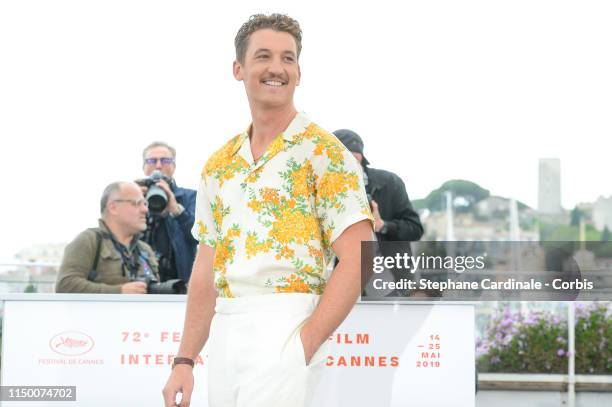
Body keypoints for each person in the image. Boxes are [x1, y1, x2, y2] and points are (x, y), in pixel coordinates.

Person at [162, 14, 374, 407]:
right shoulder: (219, 164)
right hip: (226, 328)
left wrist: (304, 345)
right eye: (264, 56)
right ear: (238, 69)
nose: (277, 68)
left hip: (289, 322)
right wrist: (185, 359)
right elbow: (206, 266)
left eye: (288, 58)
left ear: (299, 71)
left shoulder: (325, 154)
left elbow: (360, 257)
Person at [56, 181, 159, 294]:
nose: (145, 210)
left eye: (145, 203)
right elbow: (65, 285)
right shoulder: (89, 241)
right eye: (136, 203)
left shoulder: (144, 250)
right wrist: (118, 291)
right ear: (113, 207)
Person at [333, 129, 424, 243]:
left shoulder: (390, 182)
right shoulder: (324, 189)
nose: (350, 164)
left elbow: (415, 229)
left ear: (360, 157)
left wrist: (382, 225)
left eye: (354, 158)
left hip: (387, 259)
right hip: (344, 258)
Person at [138, 141, 197, 283]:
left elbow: (199, 236)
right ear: (144, 167)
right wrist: (133, 201)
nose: (158, 165)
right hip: (139, 281)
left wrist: (176, 209)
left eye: (165, 160)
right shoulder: (134, 195)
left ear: (174, 166)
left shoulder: (189, 197)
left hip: (178, 282)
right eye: (152, 160)